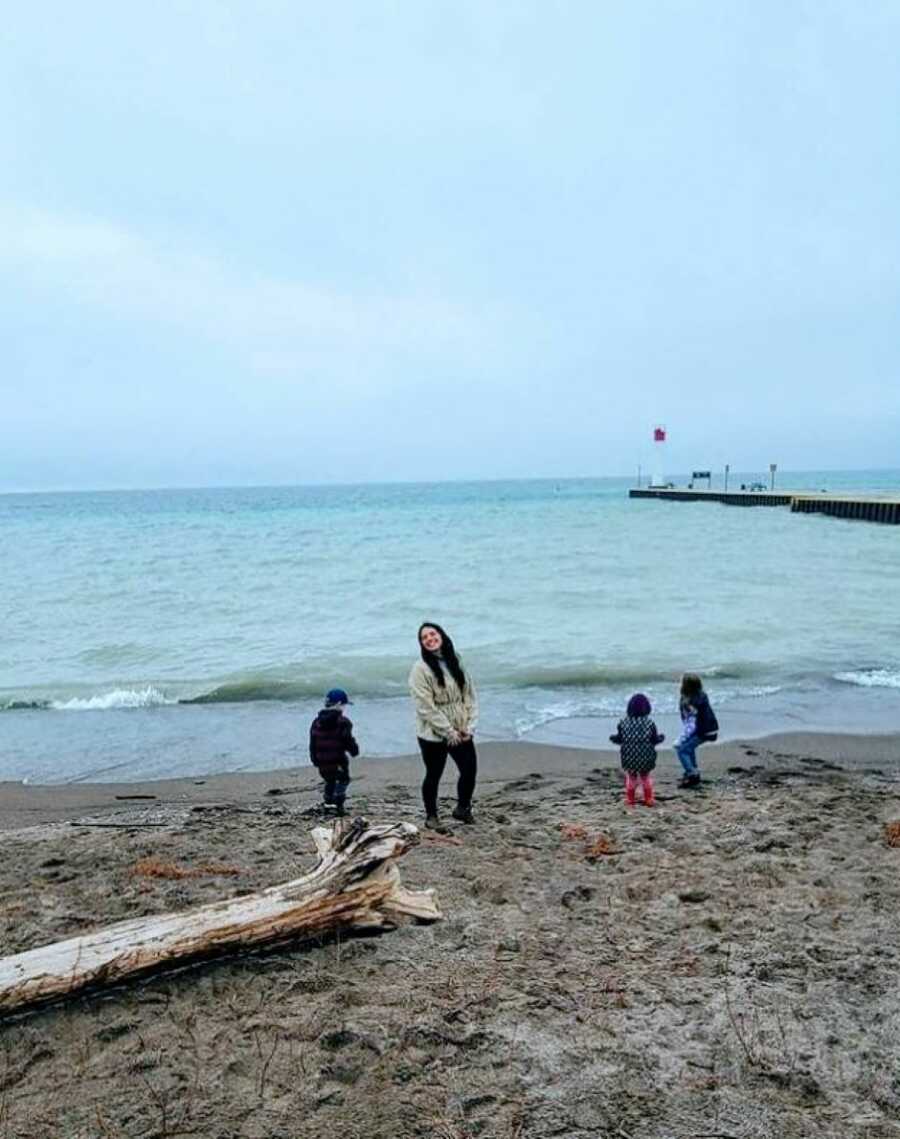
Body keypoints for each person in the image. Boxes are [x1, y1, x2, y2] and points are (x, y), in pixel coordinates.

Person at [409, 622, 479, 832]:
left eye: (432, 634)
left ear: (441, 635)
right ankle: (431, 816)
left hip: (461, 728)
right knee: (434, 774)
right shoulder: (420, 669)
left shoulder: (455, 659)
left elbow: (469, 694)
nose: (430, 639)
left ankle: (463, 808)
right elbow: (424, 706)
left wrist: (469, 725)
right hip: (433, 733)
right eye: (424, 638)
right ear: (421, 644)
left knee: (469, 770)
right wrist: (448, 731)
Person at [309, 688, 359, 816]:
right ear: (338, 704)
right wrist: (354, 751)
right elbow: (347, 740)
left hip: (321, 760)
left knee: (329, 780)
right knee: (343, 780)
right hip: (338, 760)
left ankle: (328, 803)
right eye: (344, 705)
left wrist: (314, 759)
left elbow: (312, 743)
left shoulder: (316, 722)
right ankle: (338, 804)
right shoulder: (343, 722)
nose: (344, 708)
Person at [610, 693, 664, 807]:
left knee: (631, 777)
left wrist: (613, 738)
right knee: (645, 777)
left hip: (629, 757)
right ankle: (648, 799)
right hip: (646, 756)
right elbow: (654, 740)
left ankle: (630, 799)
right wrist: (661, 738)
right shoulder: (650, 723)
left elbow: (620, 739)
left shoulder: (623, 723)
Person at [674, 673, 718, 788]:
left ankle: (692, 774)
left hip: (703, 730)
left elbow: (692, 724)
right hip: (710, 728)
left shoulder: (691, 703)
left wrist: (682, 738)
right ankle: (693, 770)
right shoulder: (701, 696)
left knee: (682, 750)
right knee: (689, 747)